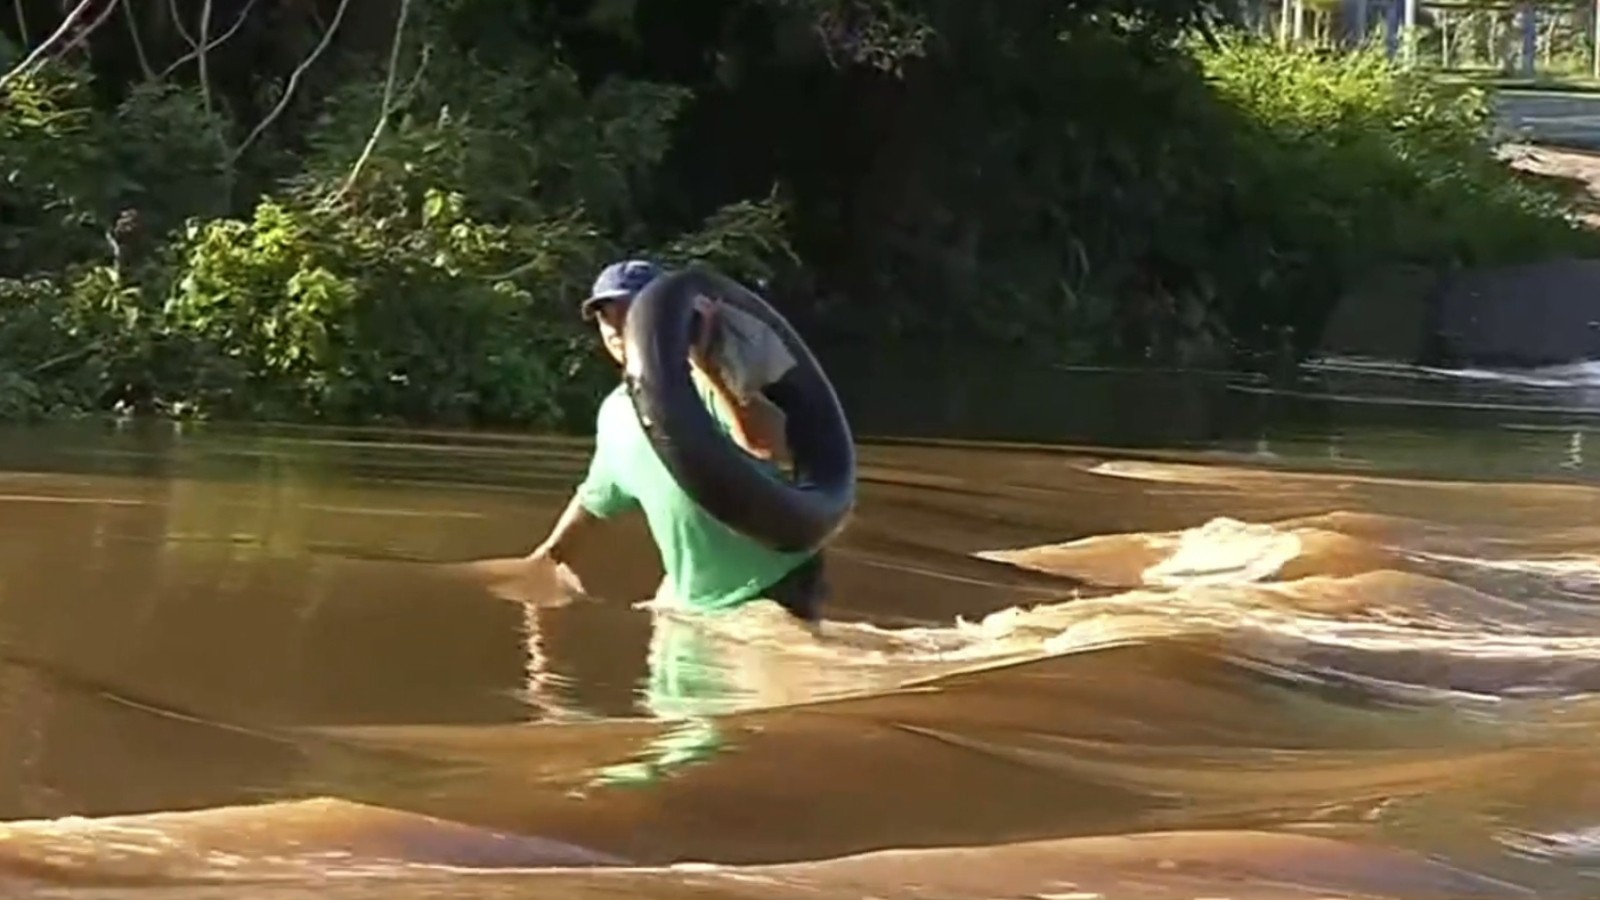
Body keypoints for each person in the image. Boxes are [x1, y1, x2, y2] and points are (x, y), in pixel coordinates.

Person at [524, 259, 830, 625]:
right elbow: (595, 496)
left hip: (773, 581)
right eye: (607, 315)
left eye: (634, 311)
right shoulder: (615, 412)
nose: (619, 326)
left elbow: (765, 446)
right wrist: (549, 555)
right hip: (694, 597)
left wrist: (709, 368)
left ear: (663, 321)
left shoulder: (711, 383)